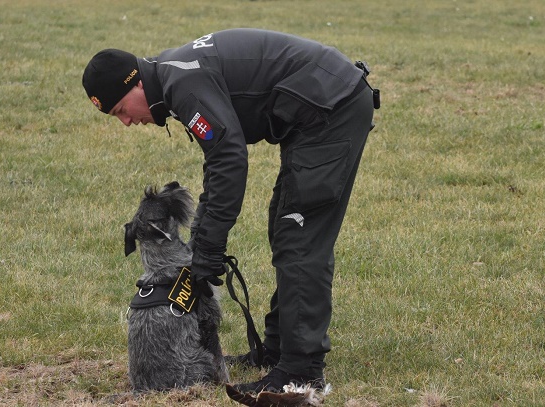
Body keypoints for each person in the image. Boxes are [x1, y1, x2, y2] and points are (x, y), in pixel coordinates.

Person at [82, 28, 377, 398]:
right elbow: (217, 162)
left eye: (120, 110)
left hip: (333, 109)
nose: (126, 121)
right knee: (284, 227)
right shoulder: (172, 77)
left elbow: (229, 159)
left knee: (299, 235)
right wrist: (203, 242)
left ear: (135, 84)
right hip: (316, 112)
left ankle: (301, 370)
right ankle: (278, 349)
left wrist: (208, 248)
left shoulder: (182, 84)